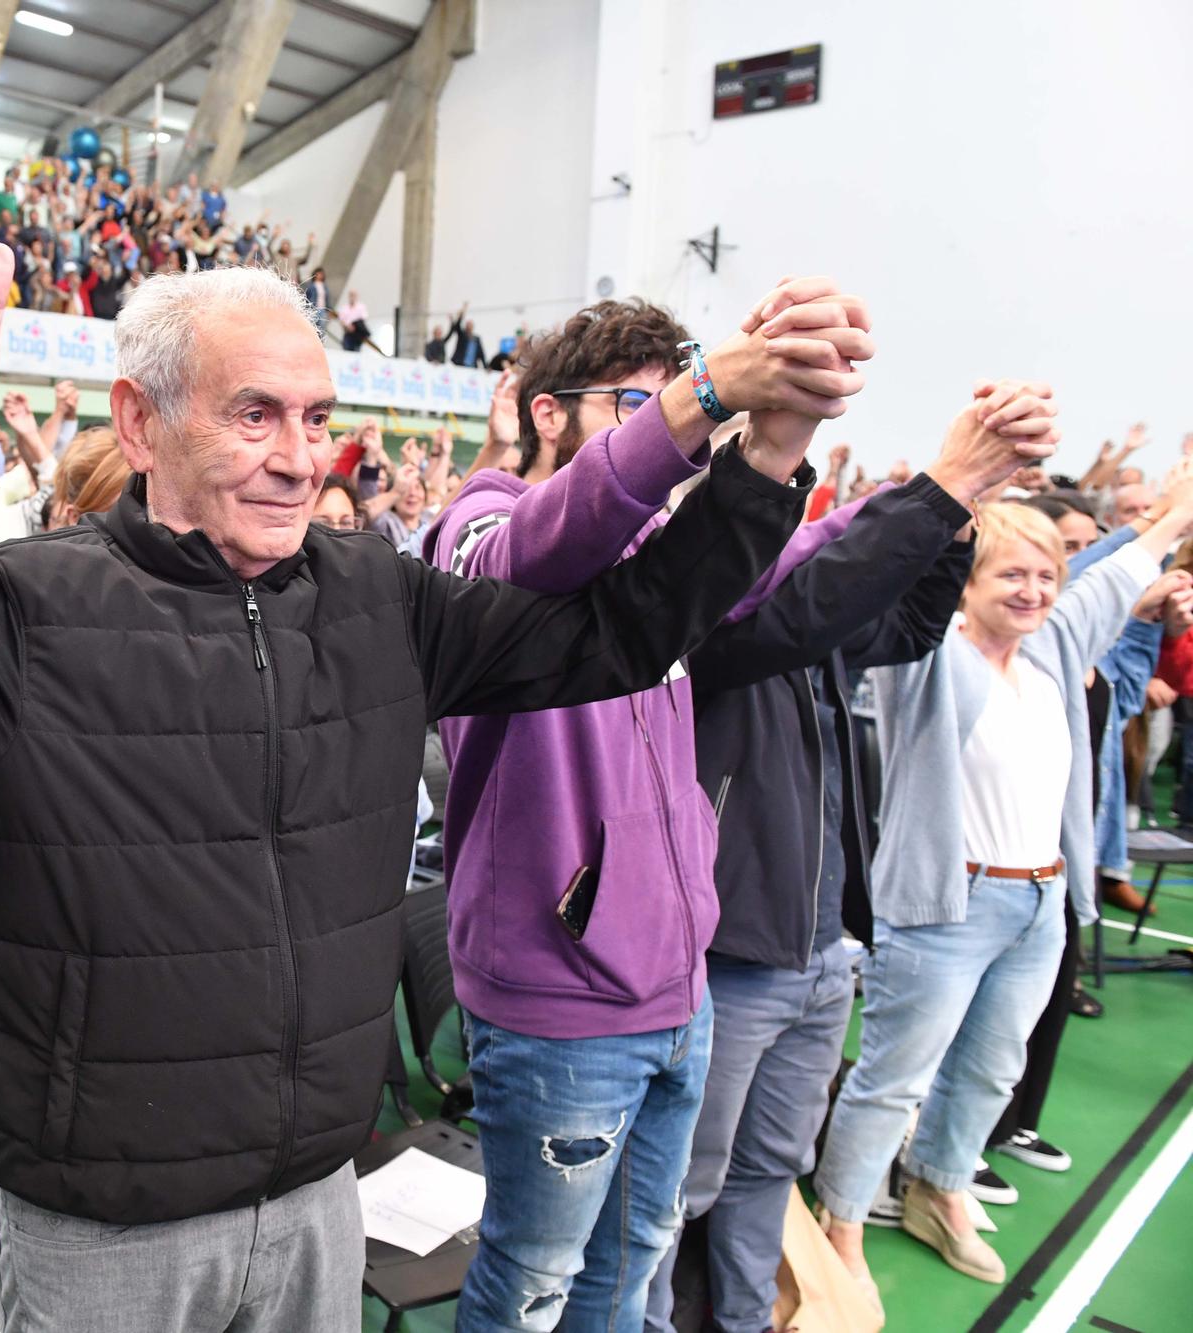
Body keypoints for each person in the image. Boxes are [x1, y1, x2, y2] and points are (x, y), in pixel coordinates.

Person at [0, 131, 821, 1333]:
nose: (299, 459)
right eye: (254, 415)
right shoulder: (19, 604)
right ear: (139, 425)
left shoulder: (379, 595)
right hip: (106, 1223)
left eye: (314, 418)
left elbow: (614, 636)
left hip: (315, 1196)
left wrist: (764, 454)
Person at [419, 286, 872, 1332]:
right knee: (532, 1277)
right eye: (634, 403)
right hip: (559, 997)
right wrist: (704, 395)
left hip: (676, 983)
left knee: (633, 1270)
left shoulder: (650, 567)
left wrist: (778, 430)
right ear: (545, 411)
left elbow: (768, 569)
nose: (664, 432)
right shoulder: (474, 528)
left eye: (670, 409)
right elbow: (541, 545)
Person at [644, 385, 1062, 1333]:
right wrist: (945, 486)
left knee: (767, 1173)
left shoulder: (809, 639)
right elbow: (809, 608)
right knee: (678, 1187)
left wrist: (956, 529)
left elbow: (907, 626)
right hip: (734, 960)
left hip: (821, 954)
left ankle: (745, 1320)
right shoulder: (706, 623)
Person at [814, 487, 1193, 1293]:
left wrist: (1172, 513)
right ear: (968, 581)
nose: (1034, 591)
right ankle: (840, 1221)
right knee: (895, 1078)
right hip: (945, 907)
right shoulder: (929, 658)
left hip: (1037, 905)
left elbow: (1119, 573)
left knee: (991, 1070)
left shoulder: (1053, 649)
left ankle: (939, 1186)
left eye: (1047, 576)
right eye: (1012, 575)